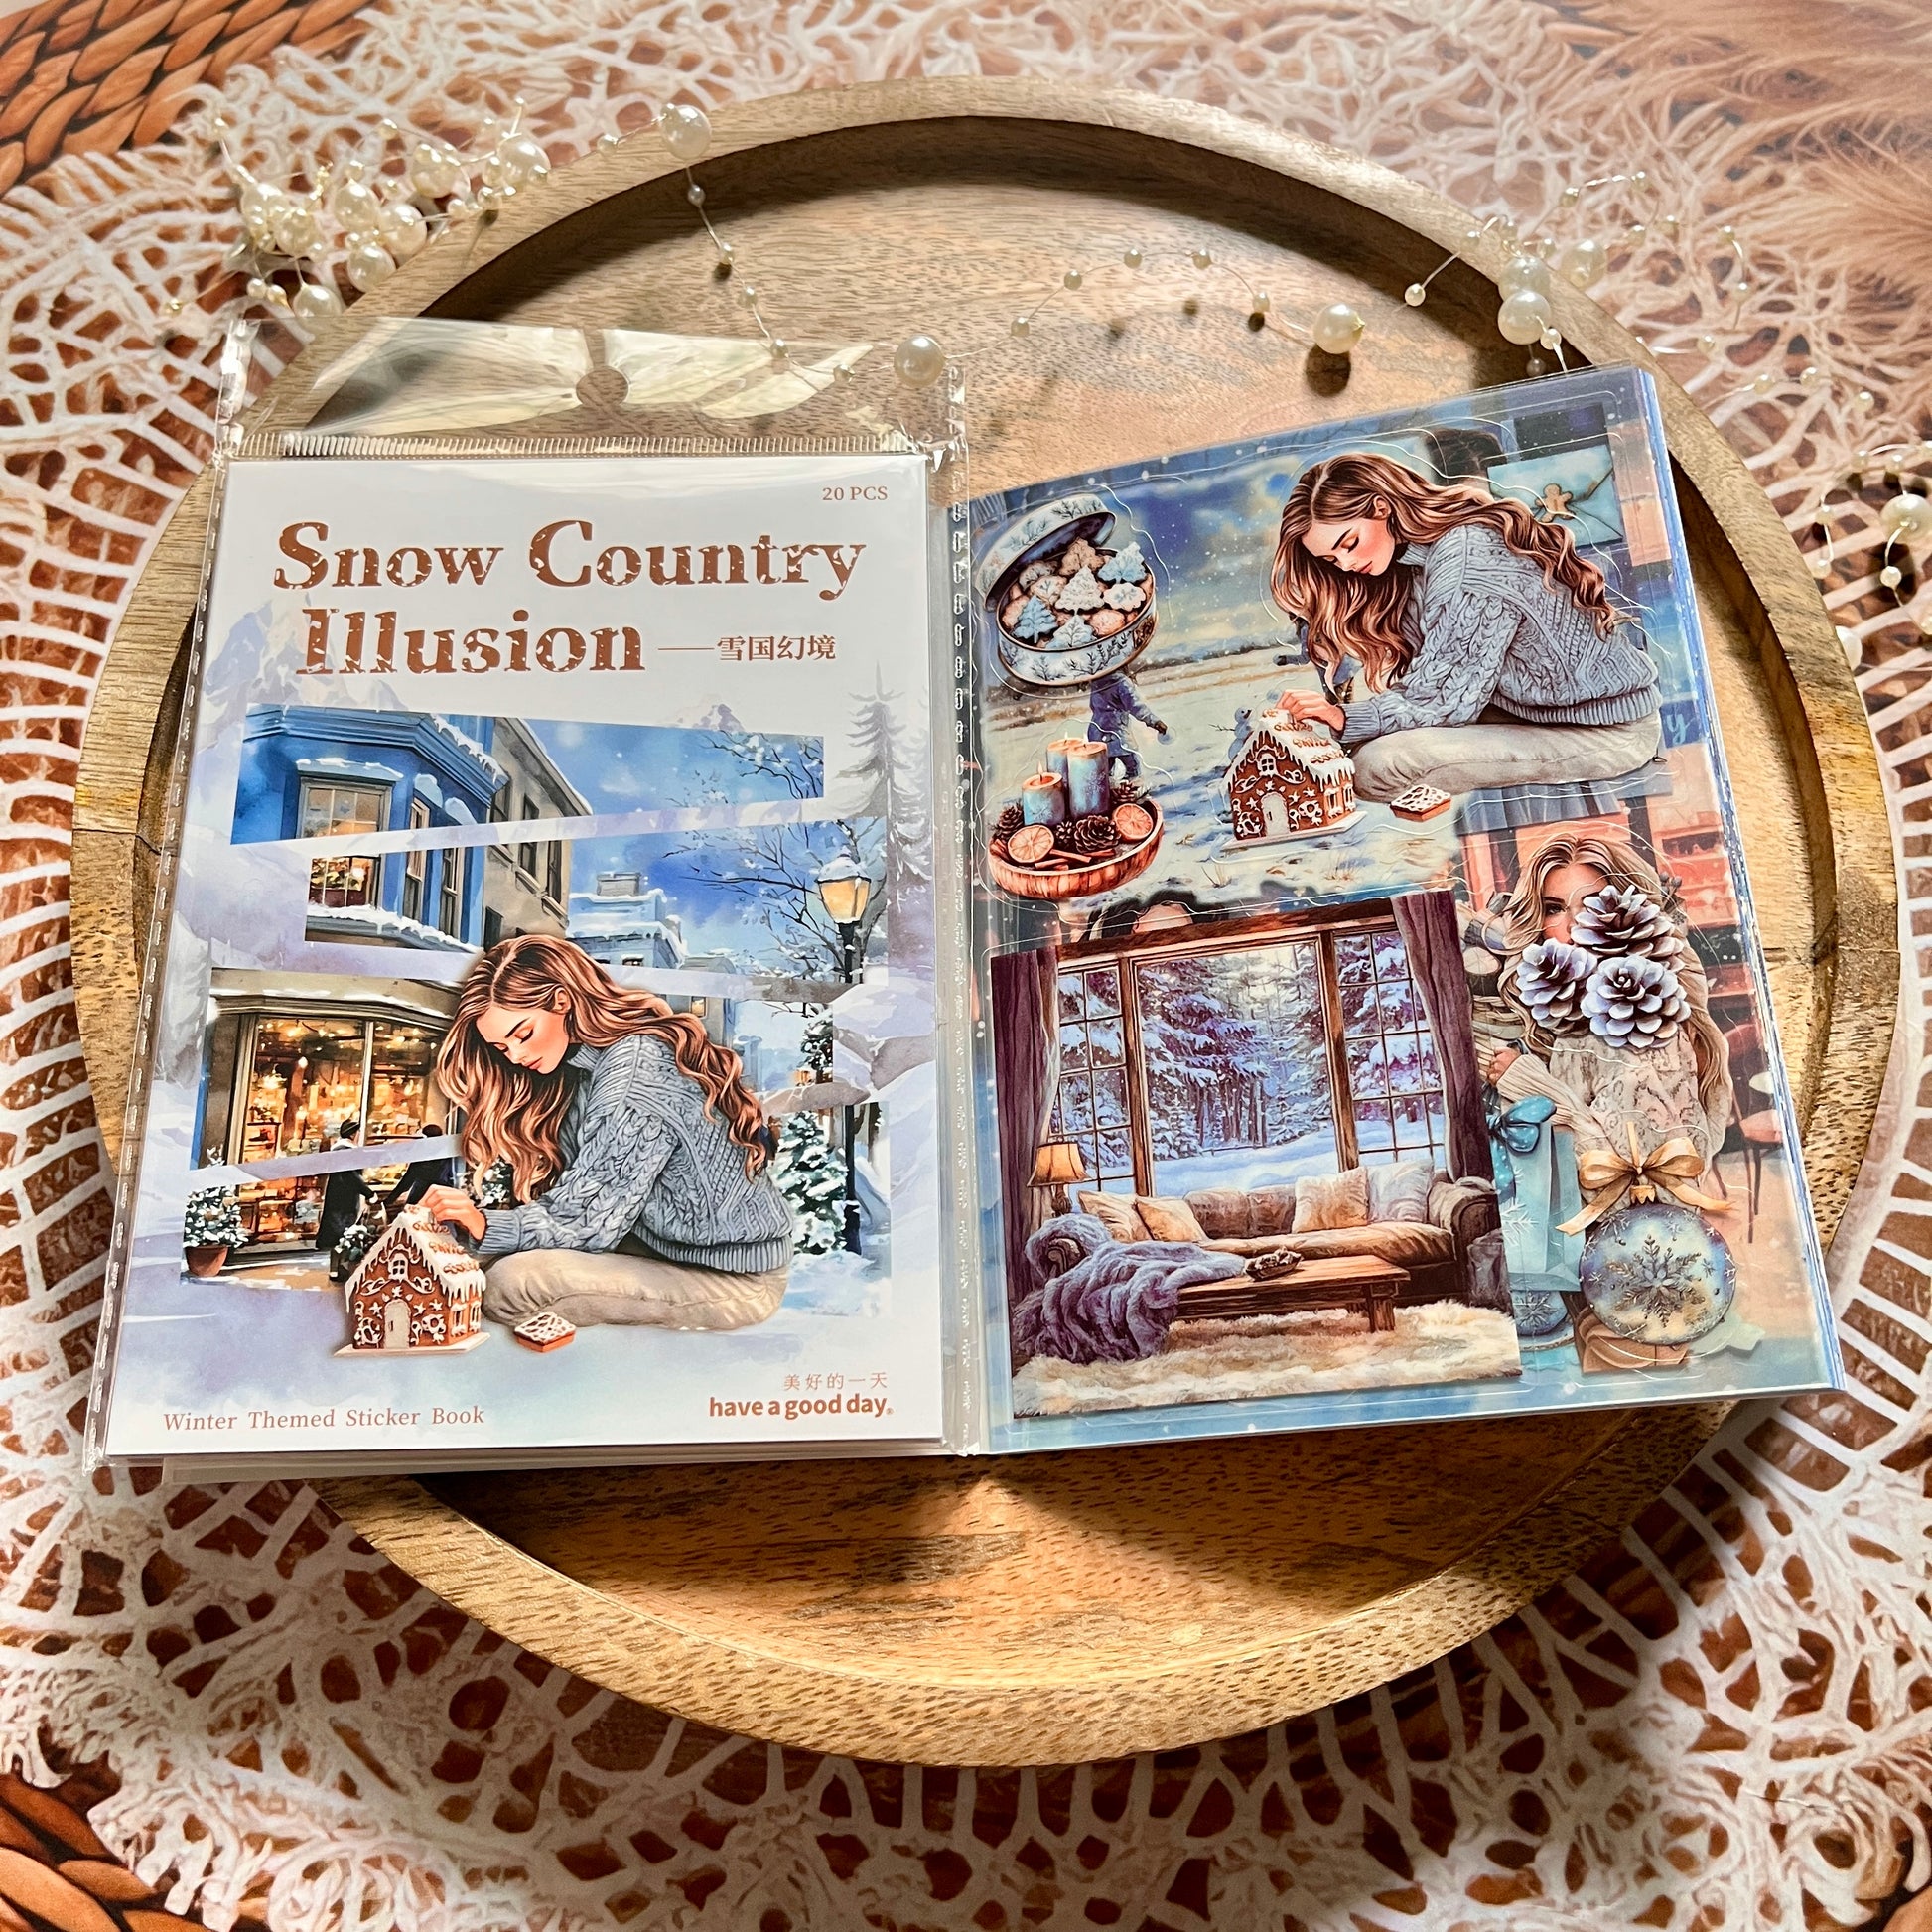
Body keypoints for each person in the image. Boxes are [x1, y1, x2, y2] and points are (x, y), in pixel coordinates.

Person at [421, 934, 792, 1332]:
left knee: (514, 1284)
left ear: (561, 1001)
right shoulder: (580, 1071)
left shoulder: (636, 1066)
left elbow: (589, 1220)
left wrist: (485, 1224)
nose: (516, 1055)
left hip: (732, 1275)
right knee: (479, 1267)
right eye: (501, 1048)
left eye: (523, 1034)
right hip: (665, 1250)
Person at [1268, 452, 1661, 802]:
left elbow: (1446, 698)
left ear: (1381, 508)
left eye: (1350, 543)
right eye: (1331, 560)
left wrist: (1345, 718)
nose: (1347, 565)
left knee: (1376, 766)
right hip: (1533, 714)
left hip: (1607, 729)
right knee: (1366, 747)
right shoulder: (1413, 565)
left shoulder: (1467, 554)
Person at [1487, 832, 1731, 1175]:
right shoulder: (1557, 1023)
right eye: (1553, 909)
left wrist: (1528, 1083)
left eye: (1593, 904)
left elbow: (1631, 1172)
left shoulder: (1646, 1024)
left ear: (1626, 915)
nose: (1573, 926)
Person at [1086, 667, 1168, 781]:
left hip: (1097, 733)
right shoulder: (1121, 682)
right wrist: (1154, 721)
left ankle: (1110, 790)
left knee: (1104, 775)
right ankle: (1133, 789)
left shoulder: (1096, 682)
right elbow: (1136, 706)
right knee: (1133, 772)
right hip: (1118, 733)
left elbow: (1094, 706)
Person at [315, 1120, 371, 1257]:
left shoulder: (339, 1149)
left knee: (335, 1224)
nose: (359, 1134)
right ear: (352, 1134)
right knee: (342, 1228)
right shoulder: (346, 1151)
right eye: (358, 1132)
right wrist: (368, 1192)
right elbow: (351, 1175)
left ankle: (334, 1250)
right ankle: (340, 1255)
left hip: (337, 1192)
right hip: (345, 1195)